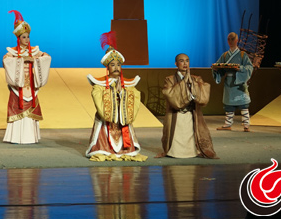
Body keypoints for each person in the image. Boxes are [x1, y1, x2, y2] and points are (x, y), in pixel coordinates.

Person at [85, 31, 146, 161]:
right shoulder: (99, 84)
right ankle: (104, 148)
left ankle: (126, 148)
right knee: (103, 141)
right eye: (113, 65)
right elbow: (97, 98)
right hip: (105, 121)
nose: (116, 67)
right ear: (107, 67)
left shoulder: (129, 84)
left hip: (122, 120)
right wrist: (113, 92)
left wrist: (123, 93)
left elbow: (135, 96)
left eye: (118, 65)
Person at [2, 10, 51, 144]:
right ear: (19, 38)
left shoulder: (34, 50)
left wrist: (35, 60)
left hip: (30, 86)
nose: (27, 40)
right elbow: (6, 61)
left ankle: (30, 137)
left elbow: (47, 57)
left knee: (31, 108)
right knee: (18, 106)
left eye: (28, 37)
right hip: (19, 86)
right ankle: (15, 137)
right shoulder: (12, 52)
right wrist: (22, 60)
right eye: (24, 37)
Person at [161, 53, 217, 158]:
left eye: (187, 61)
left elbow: (203, 92)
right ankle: (174, 152)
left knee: (192, 133)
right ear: (176, 63)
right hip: (176, 115)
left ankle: (192, 151)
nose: (185, 63)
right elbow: (169, 94)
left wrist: (192, 83)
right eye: (181, 61)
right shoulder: (169, 79)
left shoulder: (195, 79)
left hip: (191, 113)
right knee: (176, 136)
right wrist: (184, 82)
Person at [212, 32, 253, 132]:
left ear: (237, 40)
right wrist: (216, 69)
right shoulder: (225, 55)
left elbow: (249, 67)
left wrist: (240, 68)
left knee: (243, 104)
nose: (230, 41)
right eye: (229, 39)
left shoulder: (243, 55)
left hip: (239, 82)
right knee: (228, 105)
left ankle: (246, 125)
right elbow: (218, 65)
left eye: (232, 39)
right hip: (229, 82)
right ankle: (228, 124)